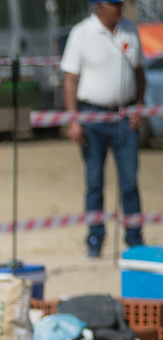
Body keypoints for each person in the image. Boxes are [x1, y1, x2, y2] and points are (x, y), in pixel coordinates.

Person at [61, 0, 146, 258]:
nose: (119, 8)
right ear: (99, 7)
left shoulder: (130, 30)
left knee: (130, 180)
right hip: (92, 116)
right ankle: (95, 241)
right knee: (95, 181)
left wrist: (139, 105)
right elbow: (70, 81)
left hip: (124, 116)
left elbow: (140, 72)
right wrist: (74, 120)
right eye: (114, 4)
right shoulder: (81, 33)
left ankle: (134, 240)